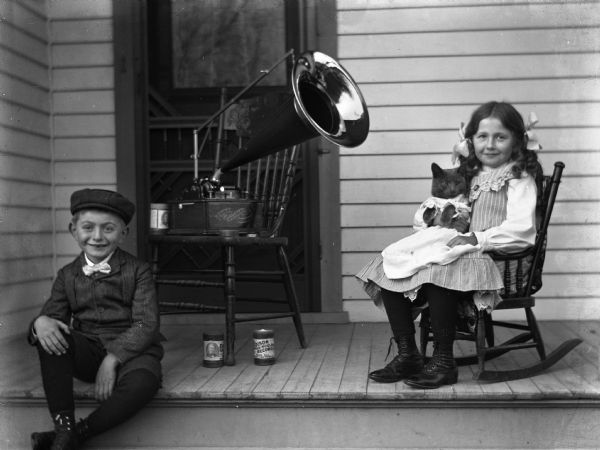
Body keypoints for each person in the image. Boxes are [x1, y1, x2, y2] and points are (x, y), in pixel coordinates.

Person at [356, 101, 541, 389]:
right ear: (470, 140)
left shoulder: (519, 177)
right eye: (482, 137)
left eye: (500, 137)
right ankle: (408, 354)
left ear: (517, 140)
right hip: (467, 252)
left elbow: (523, 231)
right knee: (394, 264)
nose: (490, 145)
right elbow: (456, 211)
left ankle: (444, 360)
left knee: (439, 271)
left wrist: (475, 238)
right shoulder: (474, 175)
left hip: (499, 260)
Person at [28, 189, 164, 449]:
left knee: (145, 383)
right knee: (49, 336)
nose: (98, 237)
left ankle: (75, 436)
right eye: (88, 227)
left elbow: (146, 323)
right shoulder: (67, 275)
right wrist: (40, 322)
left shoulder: (138, 271)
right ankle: (63, 427)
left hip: (134, 353)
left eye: (109, 229)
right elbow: (53, 317)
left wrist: (113, 358)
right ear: (74, 230)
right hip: (88, 350)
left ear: (123, 233)